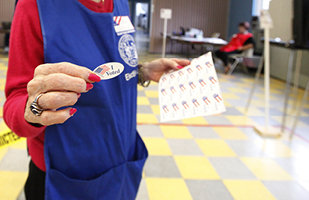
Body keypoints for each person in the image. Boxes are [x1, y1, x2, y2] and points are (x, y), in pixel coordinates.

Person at [3, 0, 190, 199]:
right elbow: (15, 102)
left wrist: (141, 72)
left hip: (122, 162)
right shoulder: (36, 6)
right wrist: (35, 108)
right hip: (64, 176)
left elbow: (109, 66)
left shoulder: (120, 3)